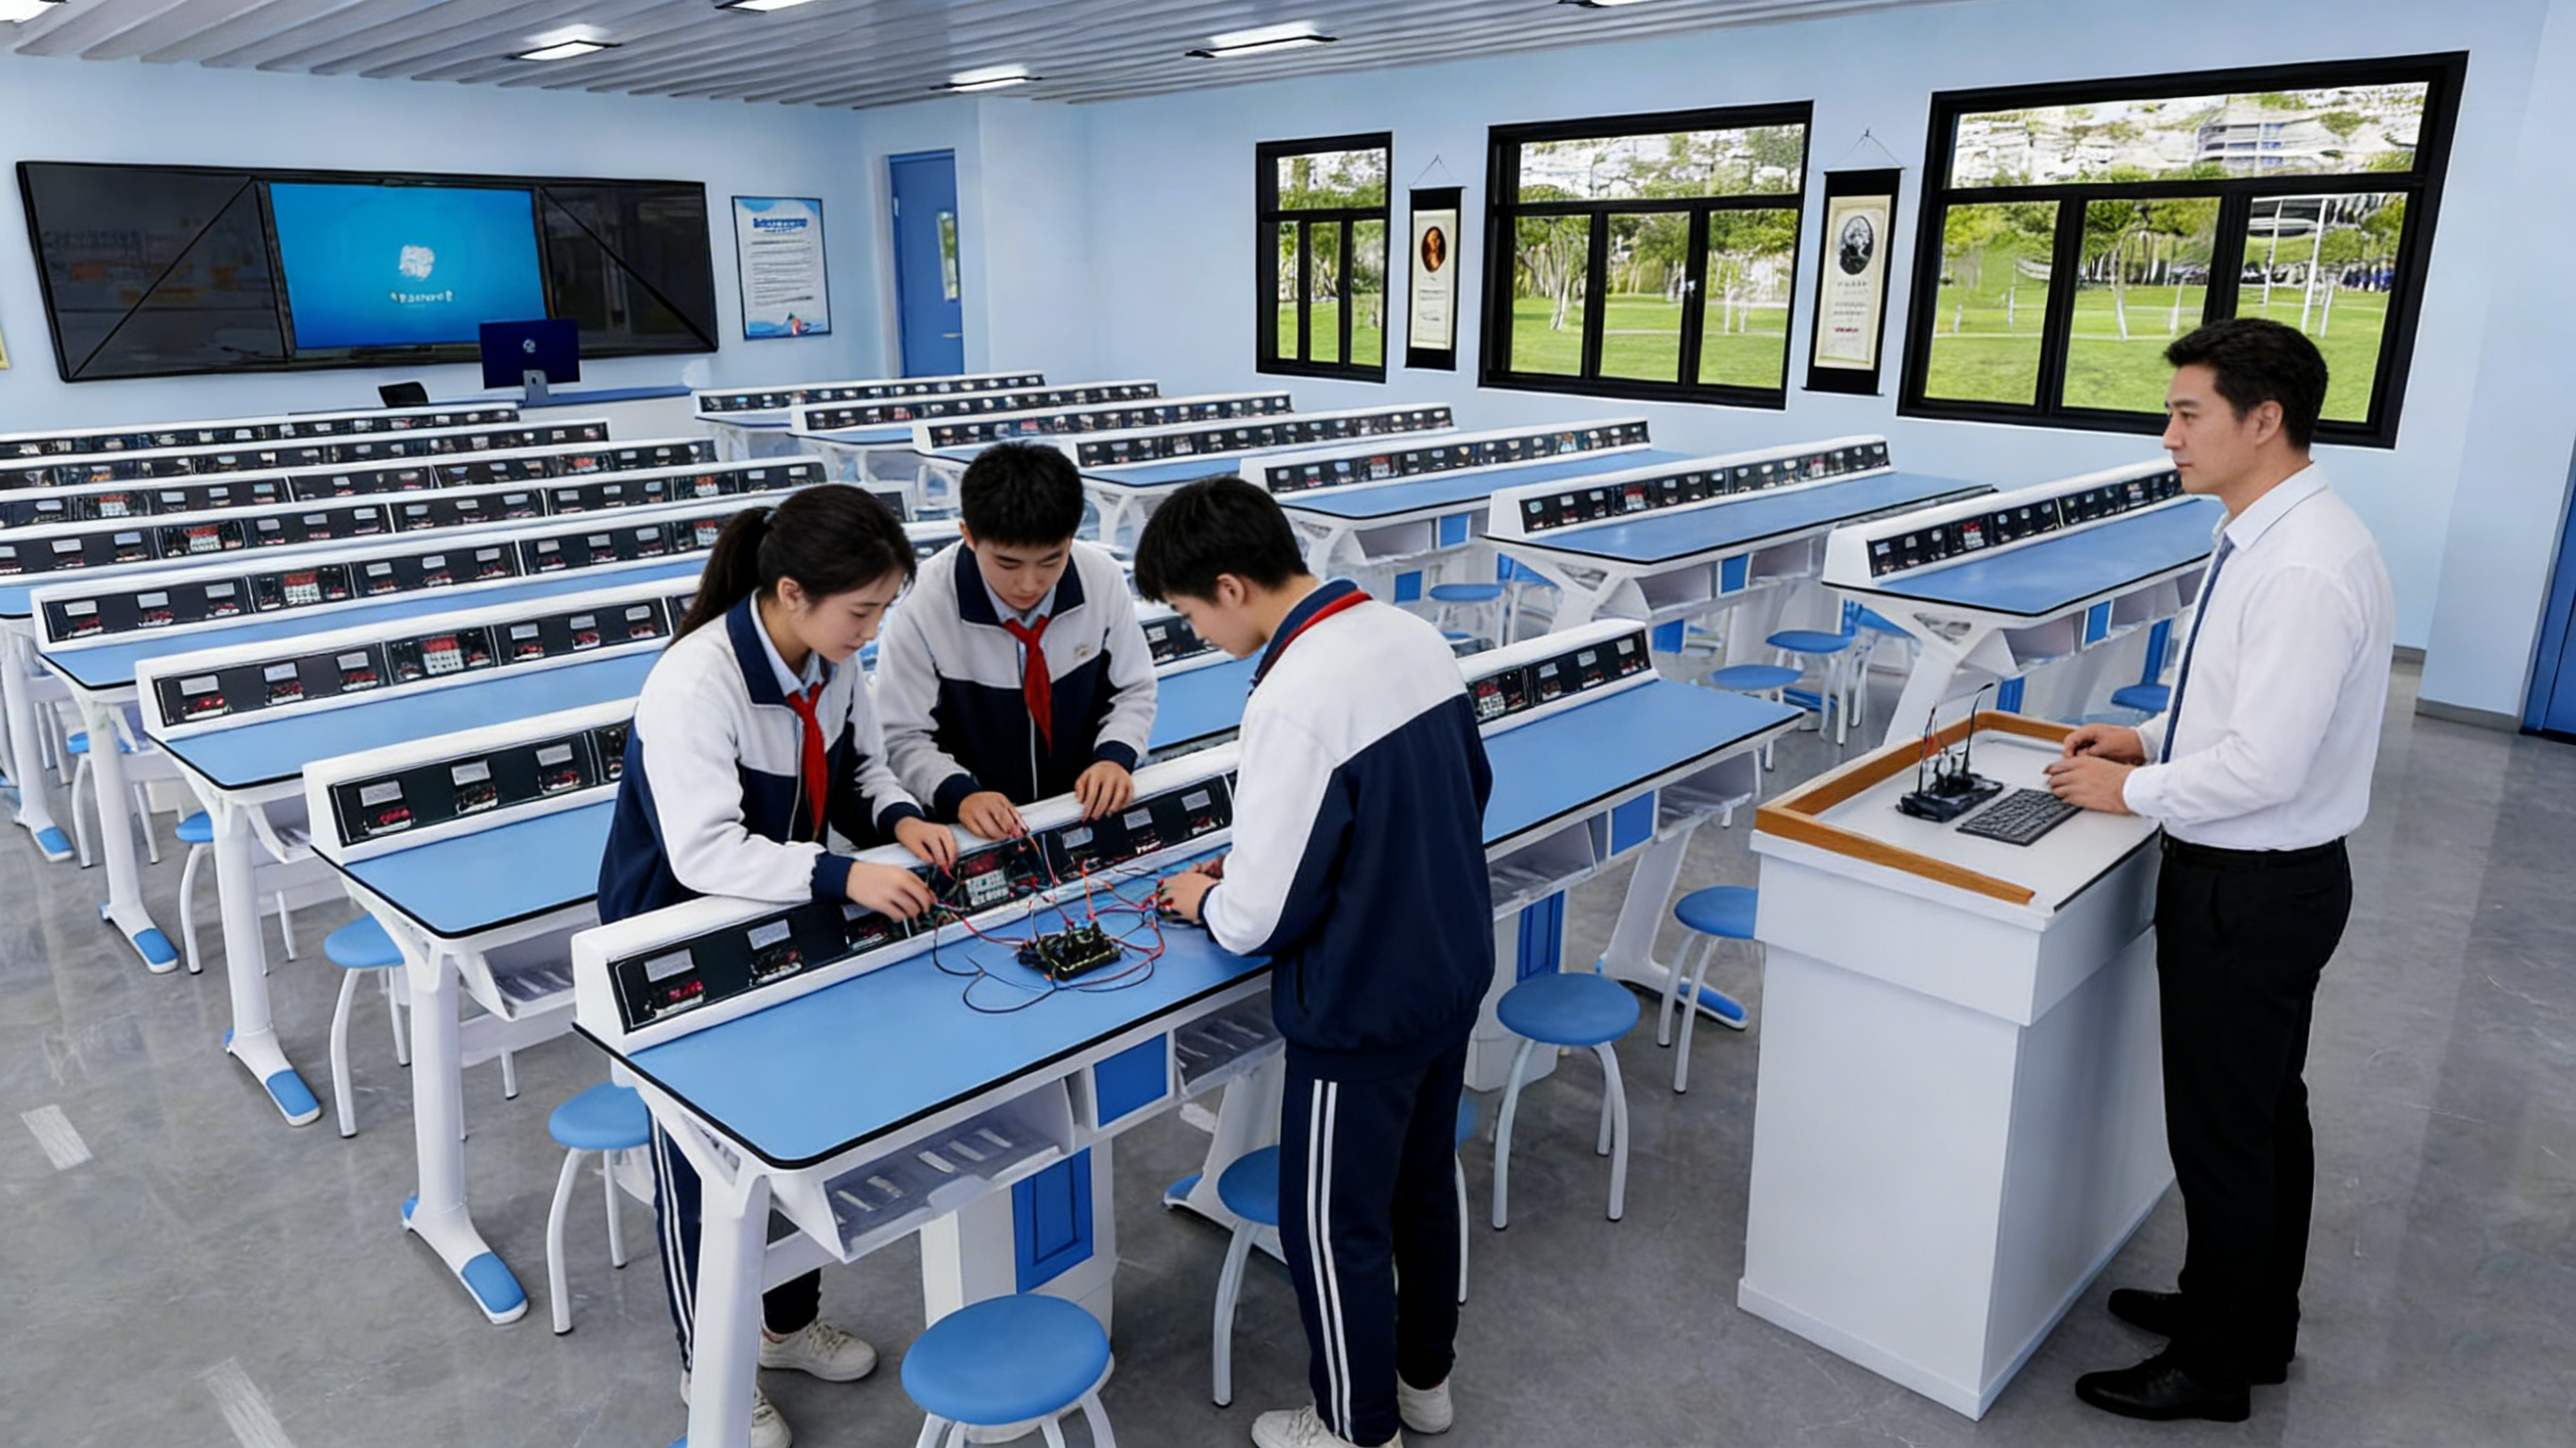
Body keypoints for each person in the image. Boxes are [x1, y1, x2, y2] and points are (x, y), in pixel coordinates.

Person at [2045, 316, 2393, 1423]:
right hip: (2272, 876)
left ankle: (2214, 1364)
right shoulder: (2267, 534)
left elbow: (2266, 764)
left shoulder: (2301, 567)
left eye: (2189, 413)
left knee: (2225, 1133)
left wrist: (2131, 790)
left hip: (2252, 885)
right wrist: (2145, 740)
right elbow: (2239, 710)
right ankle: (2245, 1314)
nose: (2170, 436)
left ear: (2264, 419)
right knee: (2262, 1115)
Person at [599, 486, 957, 1448]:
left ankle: (786, 1327)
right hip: (672, 939)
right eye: (862, 611)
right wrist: (847, 874)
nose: (873, 632)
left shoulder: (829, 658)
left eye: (883, 610)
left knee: (794, 1127)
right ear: (792, 592)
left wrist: (900, 819)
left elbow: (859, 768)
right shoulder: (696, 681)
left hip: (781, 914)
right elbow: (703, 851)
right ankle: (707, 1370)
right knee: (702, 1162)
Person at [1142, 478, 1494, 1448]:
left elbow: (1256, 917)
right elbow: (1463, 789)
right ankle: (1424, 1383)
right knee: (1422, 1187)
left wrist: (1205, 896)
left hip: (1363, 1006)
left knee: (1333, 1226)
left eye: (1190, 614)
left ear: (1230, 586)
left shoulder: (1294, 694)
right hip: (1449, 969)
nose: (1198, 634)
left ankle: (1354, 1425)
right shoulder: (1409, 635)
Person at [875, 441, 1157, 839]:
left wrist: (1115, 756)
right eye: (1008, 563)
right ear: (968, 535)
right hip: (971, 826)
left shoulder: (1101, 578)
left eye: (1051, 560)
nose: (1029, 584)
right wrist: (959, 793)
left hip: (1080, 809)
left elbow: (1134, 690)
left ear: (1072, 537)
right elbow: (902, 735)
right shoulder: (923, 604)